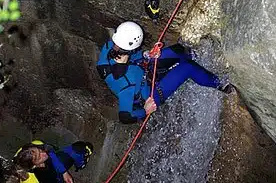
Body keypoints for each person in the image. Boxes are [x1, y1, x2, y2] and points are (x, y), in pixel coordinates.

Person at [96, 21, 234, 124]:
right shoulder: (126, 85)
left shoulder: (109, 47)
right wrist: (145, 110)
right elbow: (125, 116)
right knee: (187, 68)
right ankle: (220, 85)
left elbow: (131, 58)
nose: (116, 45)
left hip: (142, 69)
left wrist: (146, 55)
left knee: (177, 50)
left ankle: (196, 55)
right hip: (149, 93)